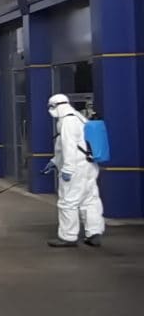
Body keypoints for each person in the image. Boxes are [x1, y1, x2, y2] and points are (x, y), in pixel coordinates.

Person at [43, 94, 104, 248]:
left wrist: (67, 169)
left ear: (55, 106)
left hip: (75, 168)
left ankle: (68, 237)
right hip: (89, 165)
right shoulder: (79, 117)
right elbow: (78, 145)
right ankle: (94, 233)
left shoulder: (67, 121)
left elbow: (68, 147)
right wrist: (54, 161)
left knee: (68, 202)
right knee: (90, 200)